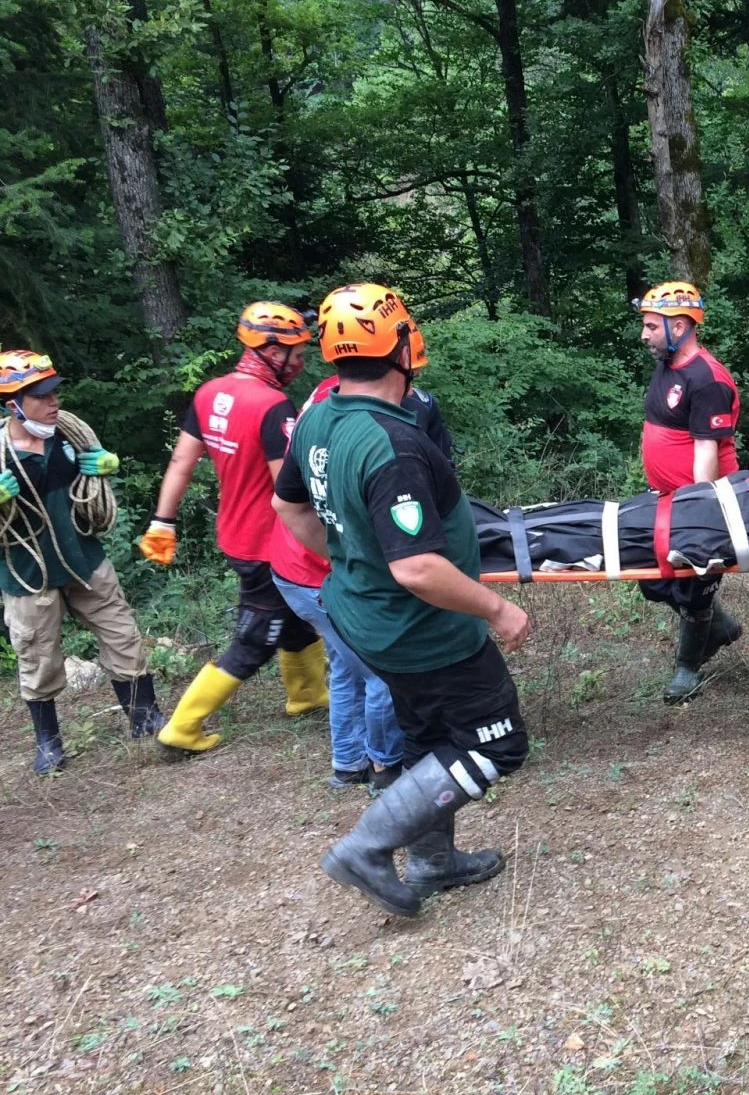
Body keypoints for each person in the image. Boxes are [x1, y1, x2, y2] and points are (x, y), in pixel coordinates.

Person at [274, 282, 531, 918]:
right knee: (494, 744)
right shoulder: (393, 444)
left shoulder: (317, 418)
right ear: (400, 349)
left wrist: (349, 557)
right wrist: (497, 608)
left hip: (362, 615)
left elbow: (288, 506)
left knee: (427, 736)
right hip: (424, 630)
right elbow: (418, 566)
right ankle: (366, 848)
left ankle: (433, 861)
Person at [271, 298, 455, 792]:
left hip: (300, 560)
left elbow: (287, 500)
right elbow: (425, 505)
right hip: (329, 567)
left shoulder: (319, 404)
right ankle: (385, 770)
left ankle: (348, 763)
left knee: (346, 666)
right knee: (381, 672)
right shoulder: (397, 421)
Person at [140, 302, 328, 755]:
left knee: (292, 620)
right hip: (270, 541)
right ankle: (182, 727)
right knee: (254, 637)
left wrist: (162, 522)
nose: (301, 363)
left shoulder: (209, 393)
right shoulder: (271, 405)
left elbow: (182, 461)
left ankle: (306, 695)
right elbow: (292, 486)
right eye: (295, 354)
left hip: (234, 535)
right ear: (267, 351)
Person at [0, 350, 161, 773]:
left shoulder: (70, 436)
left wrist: (98, 468)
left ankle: (144, 718)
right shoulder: (2, 454)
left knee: (122, 632)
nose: (54, 402)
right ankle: (48, 745)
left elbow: (92, 486)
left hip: (83, 557)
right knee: (37, 654)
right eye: (41, 396)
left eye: (54, 392)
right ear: (12, 403)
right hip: (29, 573)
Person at [635, 281, 743, 703]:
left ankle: (688, 667)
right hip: (664, 498)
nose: (644, 335)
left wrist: (701, 514)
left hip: (697, 501)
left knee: (693, 584)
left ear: (678, 326)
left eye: (650, 326)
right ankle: (721, 627)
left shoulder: (707, 380)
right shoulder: (668, 364)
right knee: (652, 580)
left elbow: (706, 454)